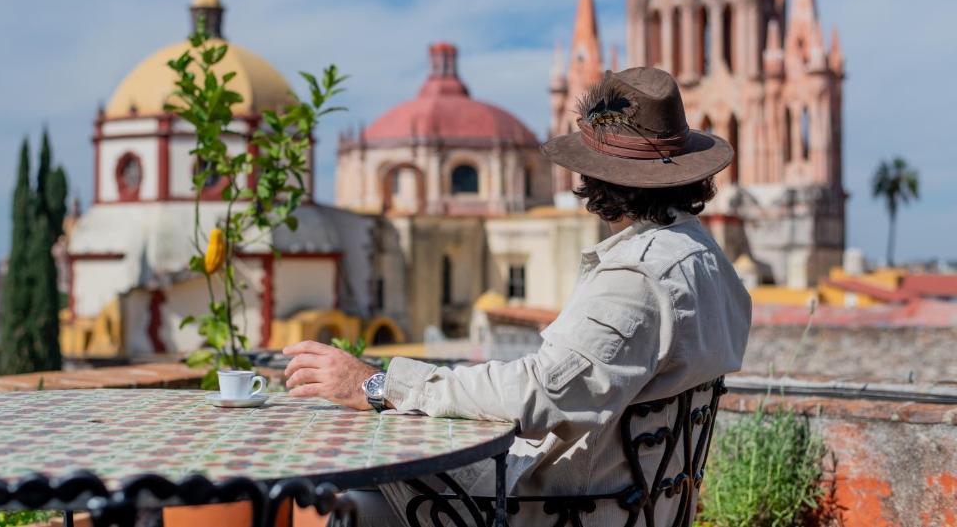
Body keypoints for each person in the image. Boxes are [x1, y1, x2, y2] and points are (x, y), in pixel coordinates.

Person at [284, 66, 752, 527]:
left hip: (559, 508)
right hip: (635, 505)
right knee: (367, 506)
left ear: (597, 179)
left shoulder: (639, 275)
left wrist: (380, 385)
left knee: (370, 453)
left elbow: (538, 394)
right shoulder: (708, 260)